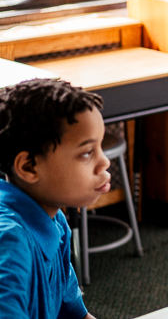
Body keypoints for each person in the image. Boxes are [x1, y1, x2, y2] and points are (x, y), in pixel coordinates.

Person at [0, 78, 108, 319]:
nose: (105, 162)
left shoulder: (54, 219)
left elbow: (75, 315)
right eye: (87, 153)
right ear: (29, 167)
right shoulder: (10, 242)